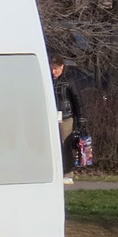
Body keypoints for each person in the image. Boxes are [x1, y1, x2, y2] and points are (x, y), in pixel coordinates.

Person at [51, 53, 84, 184]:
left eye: (56, 69)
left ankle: (68, 172)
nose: (53, 72)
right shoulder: (49, 81)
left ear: (62, 67)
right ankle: (58, 170)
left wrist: (81, 118)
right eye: (52, 69)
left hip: (66, 117)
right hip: (53, 117)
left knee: (66, 144)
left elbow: (77, 100)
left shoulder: (69, 80)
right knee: (55, 145)